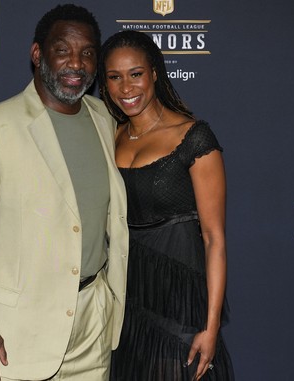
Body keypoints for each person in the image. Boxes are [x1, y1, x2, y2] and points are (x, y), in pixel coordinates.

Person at [0, 5, 129, 381]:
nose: (76, 63)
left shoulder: (104, 118)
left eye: (88, 53)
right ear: (37, 54)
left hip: (93, 329)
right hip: (16, 337)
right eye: (63, 50)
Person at [98, 31, 234, 380]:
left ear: (155, 73)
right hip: (127, 300)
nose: (126, 88)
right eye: (114, 77)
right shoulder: (108, 137)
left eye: (136, 74)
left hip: (181, 306)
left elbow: (214, 239)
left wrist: (211, 326)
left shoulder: (194, 137)